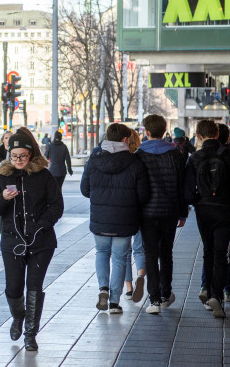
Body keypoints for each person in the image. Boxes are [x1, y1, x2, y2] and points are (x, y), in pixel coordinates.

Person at [0, 132, 63, 351]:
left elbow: (57, 206)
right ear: (8, 155)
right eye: (14, 156)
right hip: (12, 242)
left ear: (31, 155)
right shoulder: (2, 177)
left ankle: (30, 334)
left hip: (41, 242)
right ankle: (18, 316)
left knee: (34, 287)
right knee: (13, 288)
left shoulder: (43, 175)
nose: (18, 160)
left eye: (23, 155)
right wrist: (2, 198)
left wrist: (41, 225)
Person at [81, 123, 149, 315]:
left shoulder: (94, 160)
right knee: (119, 258)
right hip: (124, 220)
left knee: (101, 252)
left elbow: (85, 190)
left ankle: (103, 288)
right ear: (126, 140)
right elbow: (143, 195)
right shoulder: (135, 162)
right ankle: (113, 302)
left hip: (100, 218)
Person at [185, 119, 230, 318]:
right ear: (218, 134)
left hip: (204, 210)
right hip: (225, 209)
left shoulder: (195, 157)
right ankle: (217, 296)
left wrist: (197, 201)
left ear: (199, 136)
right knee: (222, 253)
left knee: (208, 251)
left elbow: (186, 191)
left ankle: (209, 290)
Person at [134, 115, 188, 315]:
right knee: (166, 253)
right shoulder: (176, 154)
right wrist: (183, 212)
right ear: (165, 131)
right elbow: (182, 186)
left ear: (146, 132)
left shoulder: (139, 155)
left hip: (147, 212)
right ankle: (166, 294)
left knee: (150, 254)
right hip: (170, 211)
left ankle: (154, 299)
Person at [123, 130, 146, 303]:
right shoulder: (140, 158)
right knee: (139, 248)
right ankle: (141, 274)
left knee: (123, 251)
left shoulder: (120, 159)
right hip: (140, 210)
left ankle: (129, 287)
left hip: (122, 210)